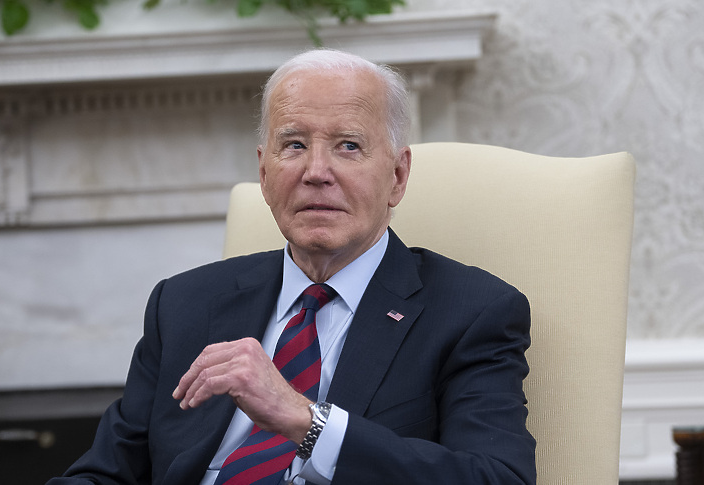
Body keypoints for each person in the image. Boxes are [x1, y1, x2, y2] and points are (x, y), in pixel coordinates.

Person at [48, 49, 536, 485]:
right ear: (264, 173)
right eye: (295, 145)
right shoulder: (183, 304)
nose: (316, 172)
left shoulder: (471, 312)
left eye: (348, 145)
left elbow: (497, 477)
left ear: (397, 176)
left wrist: (304, 419)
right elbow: (104, 472)